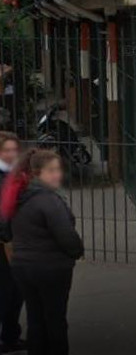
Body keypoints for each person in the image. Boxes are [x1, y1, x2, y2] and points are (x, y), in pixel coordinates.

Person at [5, 150, 84, 355]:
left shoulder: (18, 196)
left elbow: (4, 229)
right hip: (50, 267)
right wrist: (76, 252)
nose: (57, 175)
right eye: (51, 171)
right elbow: (66, 235)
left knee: (35, 317)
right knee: (55, 320)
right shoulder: (48, 200)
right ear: (36, 173)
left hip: (22, 266)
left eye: (58, 170)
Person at [0, 132, 24, 352]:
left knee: (17, 291)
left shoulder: (18, 174)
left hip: (16, 239)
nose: (11, 154)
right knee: (6, 291)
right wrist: (7, 238)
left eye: (14, 150)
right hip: (5, 243)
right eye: (6, 150)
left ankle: (10, 336)